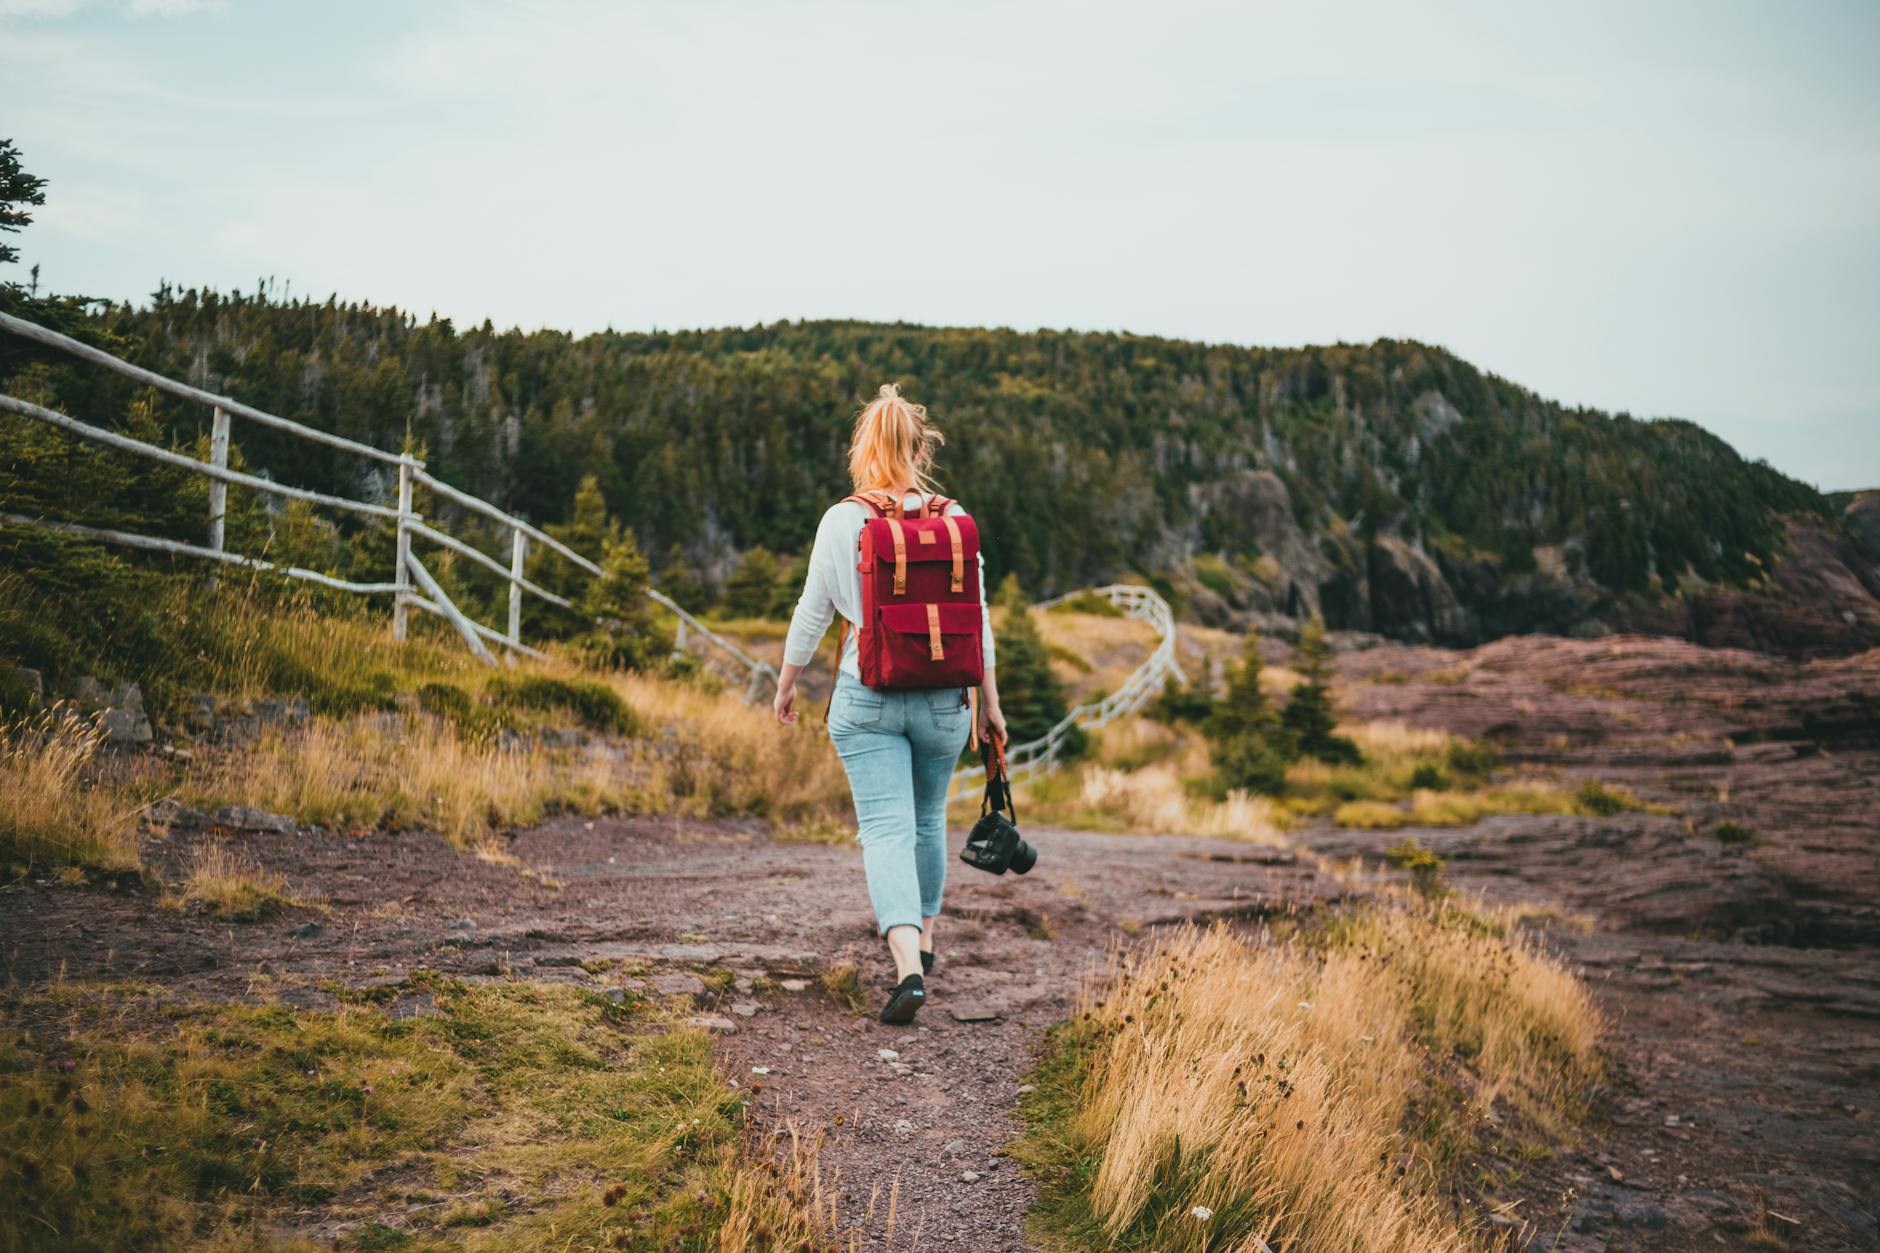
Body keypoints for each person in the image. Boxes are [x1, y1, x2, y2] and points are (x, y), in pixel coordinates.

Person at [774, 383, 1005, 1024]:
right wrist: (991, 704)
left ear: (863, 448)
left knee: (884, 828)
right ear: (918, 446)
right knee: (930, 820)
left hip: (867, 693)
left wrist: (787, 682)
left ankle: (905, 965)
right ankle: (927, 940)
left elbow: (812, 611)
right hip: (945, 702)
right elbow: (976, 618)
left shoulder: (842, 519)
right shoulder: (956, 520)